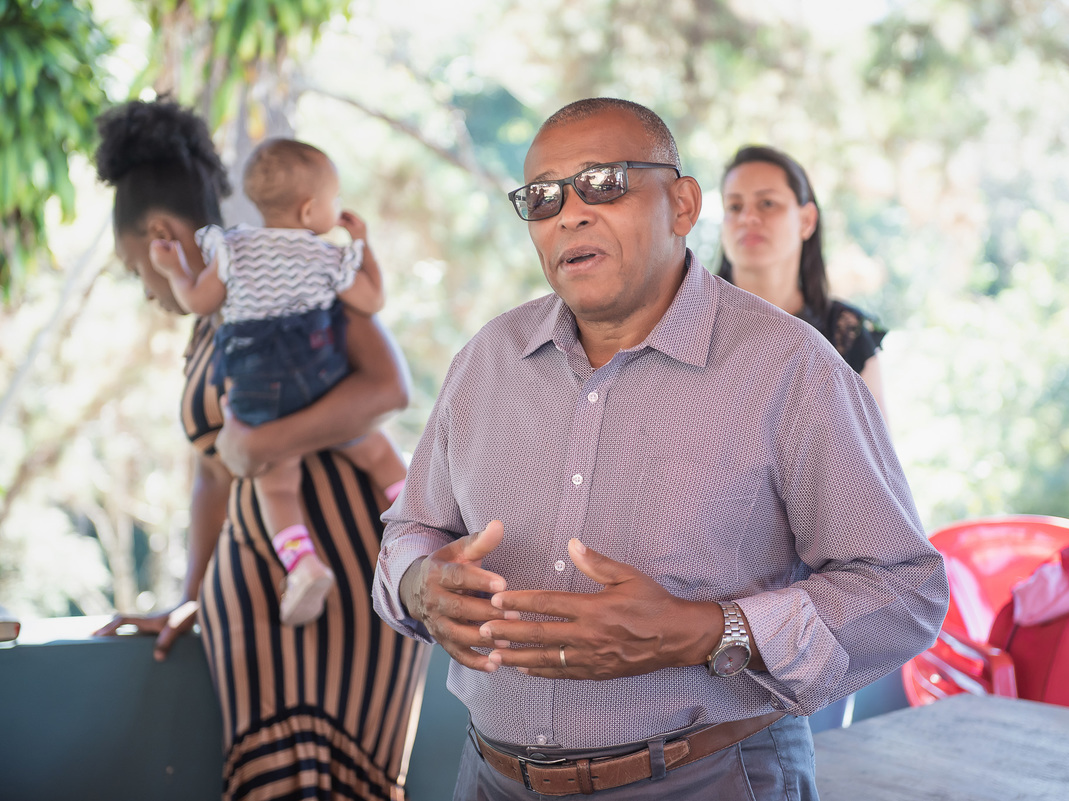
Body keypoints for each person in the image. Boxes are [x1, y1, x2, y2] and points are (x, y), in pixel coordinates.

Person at [373, 97, 948, 800]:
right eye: (544, 198)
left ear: (681, 205)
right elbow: (411, 531)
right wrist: (417, 585)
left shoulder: (793, 367)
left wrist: (707, 631)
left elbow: (904, 589)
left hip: (705, 777)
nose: (570, 213)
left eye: (604, 183)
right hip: (488, 778)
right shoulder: (486, 360)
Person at [93, 99, 428, 801]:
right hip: (258, 591)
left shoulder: (294, 270)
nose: (145, 288)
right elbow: (211, 477)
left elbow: (389, 386)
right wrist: (187, 595)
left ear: (158, 234)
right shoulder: (208, 316)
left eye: (133, 267)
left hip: (347, 579)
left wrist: (263, 441)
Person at [150, 137, 407, 625]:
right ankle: (422, 517)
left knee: (278, 486)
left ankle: (303, 564)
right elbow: (372, 301)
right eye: (335, 200)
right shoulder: (326, 256)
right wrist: (362, 245)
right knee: (376, 451)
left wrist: (176, 268)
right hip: (319, 378)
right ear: (311, 209)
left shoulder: (233, 248)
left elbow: (200, 303)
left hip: (255, 389)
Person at [718, 145, 889, 423]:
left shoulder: (848, 333)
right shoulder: (688, 322)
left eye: (767, 203)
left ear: (807, 220)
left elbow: (877, 462)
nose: (747, 218)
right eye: (734, 206)